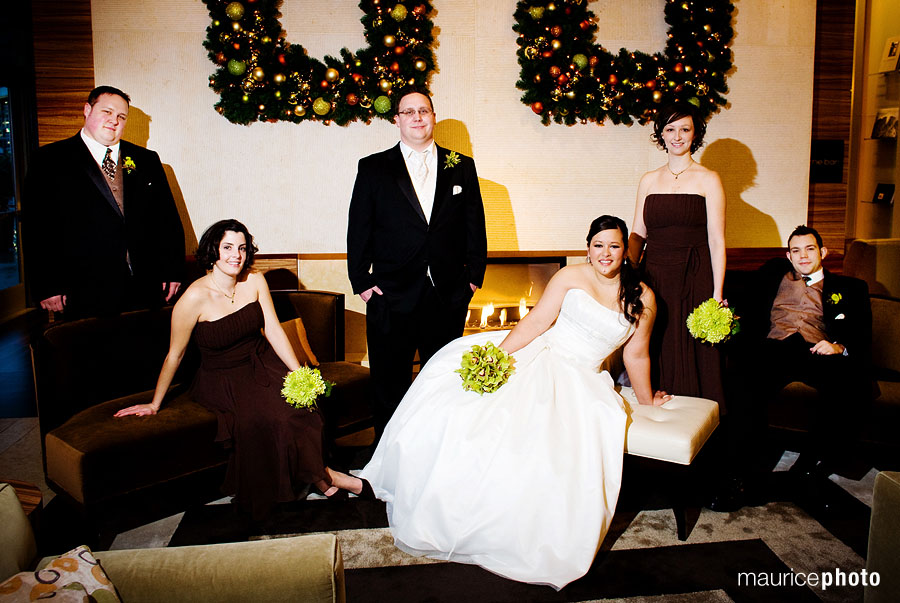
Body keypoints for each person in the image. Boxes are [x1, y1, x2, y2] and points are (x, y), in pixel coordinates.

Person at [357, 216, 671, 589]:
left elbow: (637, 356)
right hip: (542, 354)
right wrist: (497, 359)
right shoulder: (570, 276)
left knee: (555, 445)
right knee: (470, 412)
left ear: (625, 250)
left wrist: (648, 400)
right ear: (587, 246)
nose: (606, 254)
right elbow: (537, 322)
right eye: (598, 245)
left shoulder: (643, 297)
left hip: (584, 378)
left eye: (614, 246)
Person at [115, 219, 370, 519]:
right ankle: (334, 479)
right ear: (212, 251)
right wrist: (155, 403)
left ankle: (321, 481)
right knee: (277, 418)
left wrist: (299, 372)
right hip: (222, 376)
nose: (235, 255)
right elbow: (176, 353)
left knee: (304, 410)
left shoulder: (255, 281)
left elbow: (273, 330)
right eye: (227, 248)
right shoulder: (193, 297)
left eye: (242, 248)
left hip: (263, 361)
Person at [347, 88, 487, 440]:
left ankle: (438, 459)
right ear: (397, 119)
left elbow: (475, 225)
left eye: (423, 110)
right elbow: (359, 227)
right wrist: (362, 283)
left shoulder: (461, 166)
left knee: (443, 383)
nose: (417, 117)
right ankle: (387, 466)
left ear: (433, 116)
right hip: (390, 295)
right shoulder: (374, 168)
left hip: (447, 295)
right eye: (408, 112)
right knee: (388, 384)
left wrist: (472, 279)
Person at [710, 225, 872, 511]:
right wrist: (723, 308)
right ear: (788, 255)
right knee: (743, 382)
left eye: (810, 249)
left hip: (816, 349)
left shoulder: (851, 289)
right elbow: (739, 294)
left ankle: (807, 469)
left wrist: (838, 346)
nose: (803, 255)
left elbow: (862, 334)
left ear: (823, 252)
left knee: (849, 383)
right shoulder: (774, 274)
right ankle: (737, 478)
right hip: (774, 348)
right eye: (796, 250)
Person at [24, 85, 185, 319]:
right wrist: (48, 286)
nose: (114, 121)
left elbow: (167, 220)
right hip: (81, 291)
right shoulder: (49, 160)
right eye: (107, 112)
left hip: (143, 287)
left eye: (121, 116)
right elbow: (36, 228)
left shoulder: (146, 160)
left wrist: (173, 270)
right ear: (87, 110)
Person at [628, 102, 726, 404]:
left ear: (695, 134)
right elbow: (637, 234)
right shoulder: (648, 179)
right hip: (653, 274)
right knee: (656, 341)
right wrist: (624, 279)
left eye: (684, 129)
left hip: (694, 275)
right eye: (670, 129)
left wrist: (717, 293)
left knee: (694, 347)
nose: (677, 136)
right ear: (661, 134)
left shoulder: (709, 178)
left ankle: (698, 420)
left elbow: (717, 241)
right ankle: (655, 409)